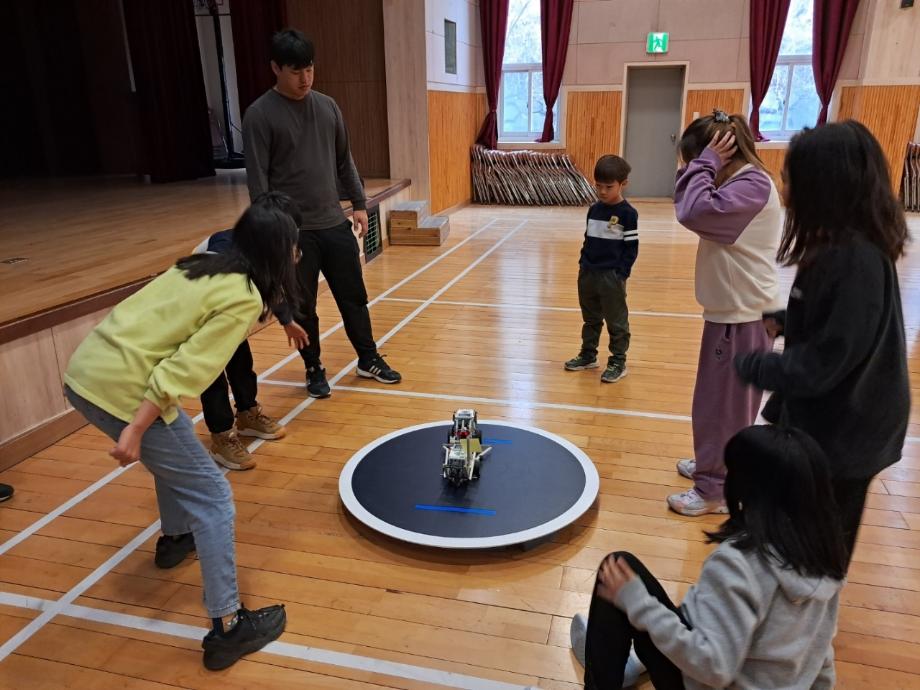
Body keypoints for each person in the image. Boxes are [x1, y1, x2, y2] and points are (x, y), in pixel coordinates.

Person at [63, 203, 297, 670]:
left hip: (86, 369)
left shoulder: (204, 261)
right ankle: (228, 627)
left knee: (181, 463)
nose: (297, 254)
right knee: (213, 497)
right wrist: (135, 427)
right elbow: (185, 369)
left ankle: (174, 540)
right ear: (275, 251)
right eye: (293, 245)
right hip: (124, 390)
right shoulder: (244, 296)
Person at [734, 120, 910, 563]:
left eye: (790, 177)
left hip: (851, 433)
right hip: (831, 422)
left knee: (824, 543)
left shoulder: (854, 261)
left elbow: (824, 364)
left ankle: (814, 627)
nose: (783, 186)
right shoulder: (834, 249)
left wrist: (755, 366)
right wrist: (786, 321)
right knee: (799, 529)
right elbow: (833, 325)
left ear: (822, 188)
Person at [570, 425, 847, 689]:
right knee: (671, 606)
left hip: (705, 679)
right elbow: (821, 652)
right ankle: (629, 655)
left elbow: (713, 668)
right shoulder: (825, 558)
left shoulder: (738, 562)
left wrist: (638, 605)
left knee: (619, 568)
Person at [243, 28, 400, 399]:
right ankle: (313, 367)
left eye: (310, 69)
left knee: (354, 296)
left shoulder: (328, 106)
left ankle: (368, 358)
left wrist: (360, 204)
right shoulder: (259, 115)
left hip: (333, 222)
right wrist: (274, 236)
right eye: (296, 71)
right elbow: (258, 184)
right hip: (294, 233)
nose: (305, 79)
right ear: (275, 69)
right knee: (304, 307)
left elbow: (344, 160)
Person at [668, 111, 782, 517]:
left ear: (721, 152)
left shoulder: (751, 184)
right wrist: (707, 165)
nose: (699, 173)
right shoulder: (742, 182)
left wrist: (706, 163)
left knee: (726, 407)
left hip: (744, 314)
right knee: (714, 401)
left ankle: (717, 490)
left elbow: (693, 212)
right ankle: (712, 466)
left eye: (699, 162)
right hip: (733, 311)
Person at [194, 192, 309, 474]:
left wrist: (287, 321)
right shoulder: (222, 255)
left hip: (230, 314)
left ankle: (247, 413)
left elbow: (271, 283)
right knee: (213, 375)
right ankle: (221, 436)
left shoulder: (265, 247)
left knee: (242, 363)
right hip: (202, 313)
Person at [564, 155, 638, 383]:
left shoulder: (628, 214)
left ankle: (618, 361)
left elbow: (631, 248)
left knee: (616, 321)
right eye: (598, 186)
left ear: (623, 184)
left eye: (609, 187)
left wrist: (621, 274)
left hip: (611, 277)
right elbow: (588, 239)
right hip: (588, 273)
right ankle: (588, 355)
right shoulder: (594, 210)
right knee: (591, 318)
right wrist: (583, 263)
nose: (603, 192)